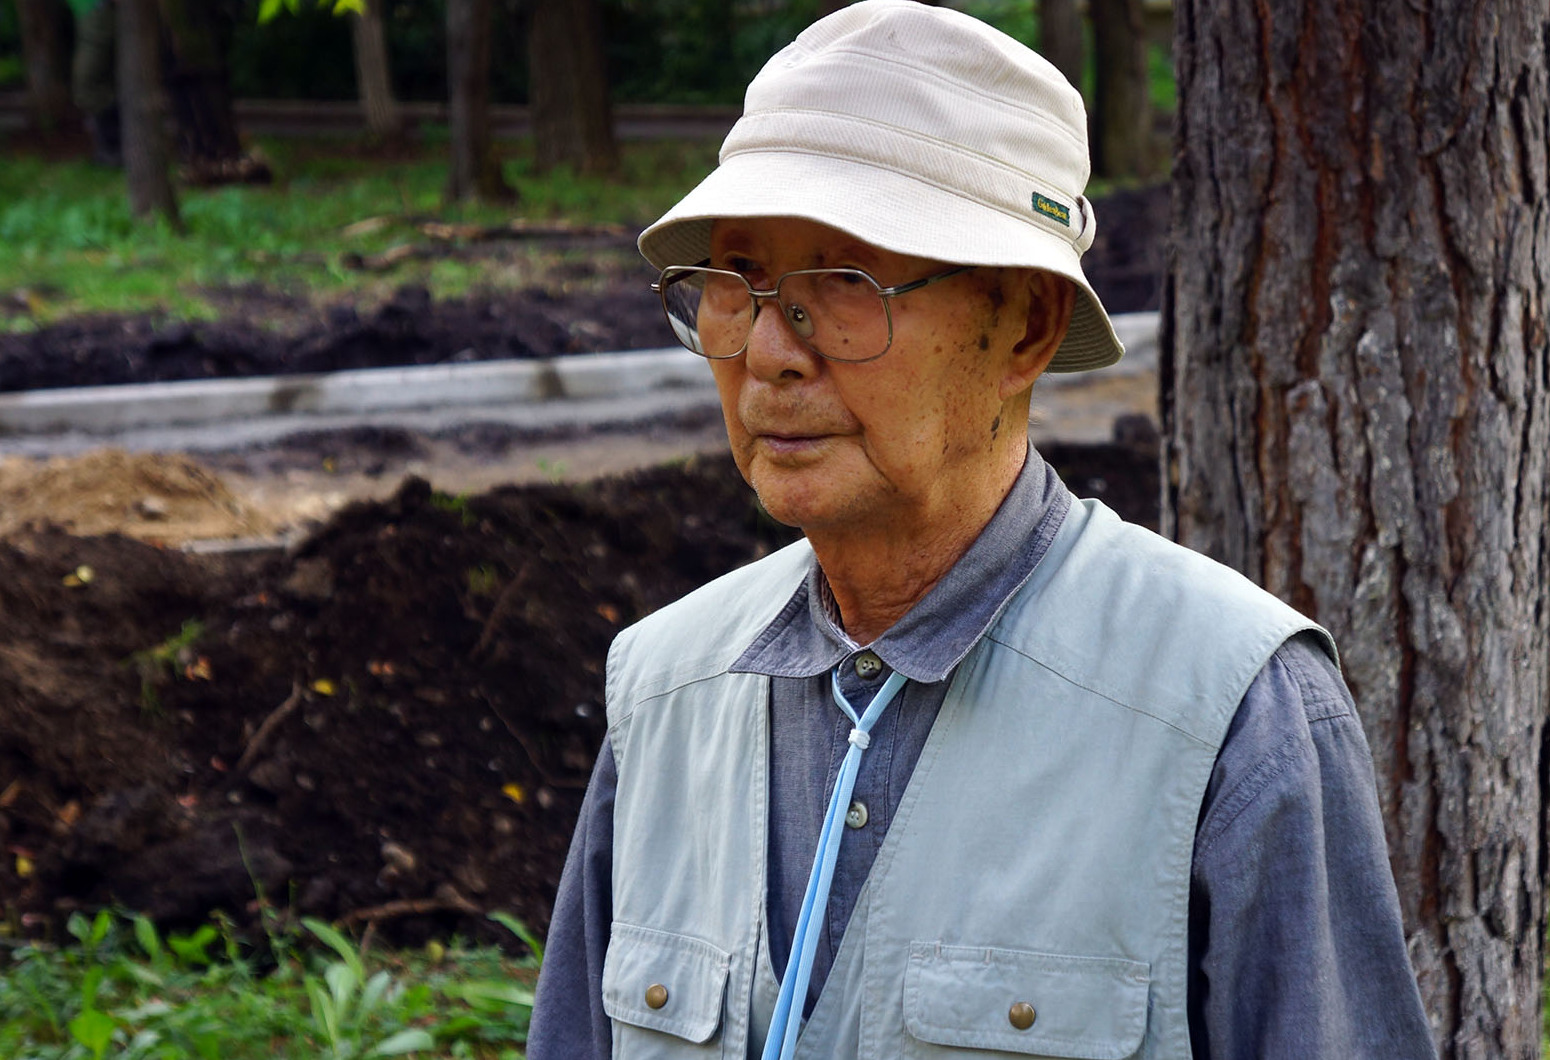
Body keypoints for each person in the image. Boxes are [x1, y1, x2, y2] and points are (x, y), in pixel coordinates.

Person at [527, 3, 1438, 1058]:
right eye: (736, 282)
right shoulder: (666, 691)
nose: (770, 349)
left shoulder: (1230, 712)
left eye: (843, 281)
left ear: (1026, 328)